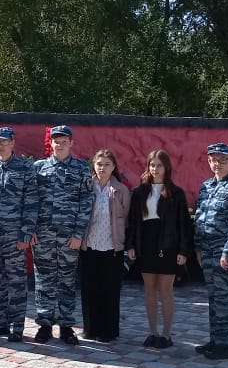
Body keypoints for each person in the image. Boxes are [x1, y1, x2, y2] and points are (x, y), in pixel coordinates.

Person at [31, 125, 93, 345]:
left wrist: (78, 233)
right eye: (56, 140)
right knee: (43, 280)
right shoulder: (39, 168)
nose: (60, 144)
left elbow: (87, 201)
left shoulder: (80, 168)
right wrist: (32, 230)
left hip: (69, 236)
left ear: (71, 143)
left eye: (64, 141)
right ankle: (45, 324)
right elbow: (31, 201)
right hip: (44, 235)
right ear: (51, 143)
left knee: (67, 281)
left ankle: (66, 326)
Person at [126, 150, 192, 349]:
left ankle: (166, 334)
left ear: (167, 167)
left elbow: (184, 224)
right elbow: (132, 221)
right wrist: (131, 246)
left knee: (166, 291)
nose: (155, 169)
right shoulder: (139, 192)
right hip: (147, 244)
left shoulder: (176, 193)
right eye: (152, 165)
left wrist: (183, 251)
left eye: (159, 165)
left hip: (168, 245)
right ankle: (152, 332)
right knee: (149, 291)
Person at [192, 143, 228, 360]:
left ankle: (226, 345)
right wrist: (197, 247)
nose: (217, 164)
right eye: (213, 160)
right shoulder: (206, 186)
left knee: (224, 297)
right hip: (206, 249)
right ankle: (215, 339)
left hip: (224, 250)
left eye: (222, 160)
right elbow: (200, 217)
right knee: (213, 296)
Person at [0, 127, 38, 342]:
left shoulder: (25, 168)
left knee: (16, 281)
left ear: (13, 143)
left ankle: (17, 327)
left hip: (14, 236)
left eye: (3, 141)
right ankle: (0, 324)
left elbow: (31, 204)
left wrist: (25, 234)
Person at [79, 149, 130, 342]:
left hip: (112, 247)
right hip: (89, 245)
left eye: (107, 164)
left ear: (114, 167)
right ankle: (91, 328)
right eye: (99, 164)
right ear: (93, 165)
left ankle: (109, 330)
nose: (102, 168)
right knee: (89, 289)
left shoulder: (120, 190)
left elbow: (126, 218)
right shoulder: (87, 186)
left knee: (110, 290)